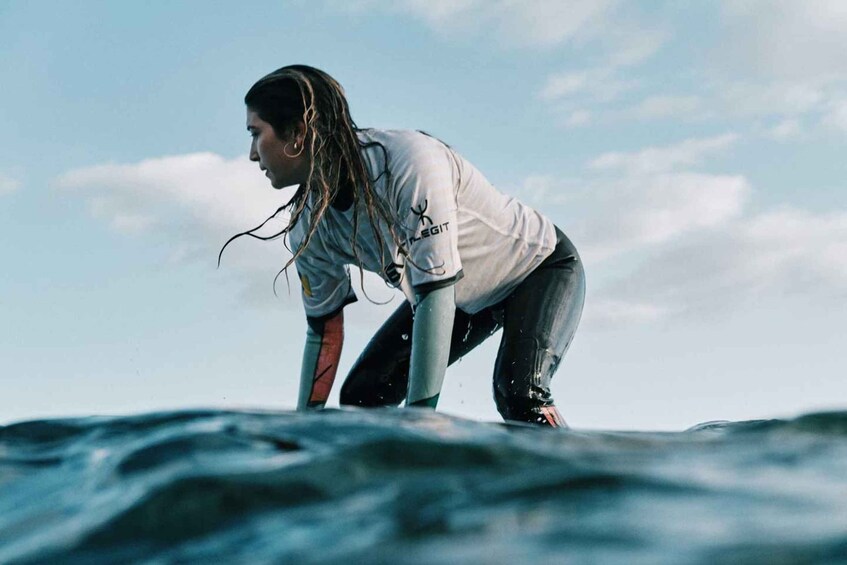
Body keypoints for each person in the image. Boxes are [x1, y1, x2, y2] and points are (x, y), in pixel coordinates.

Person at [225, 64, 585, 427]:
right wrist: (301, 435)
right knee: (362, 396)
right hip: (457, 294)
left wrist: (420, 426)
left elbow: (435, 294)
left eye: (255, 133)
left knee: (520, 394)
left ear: (298, 133)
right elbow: (324, 331)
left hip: (537, 266)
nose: (253, 154)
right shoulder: (307, 227)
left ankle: (580, 479)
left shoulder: (409, 163)